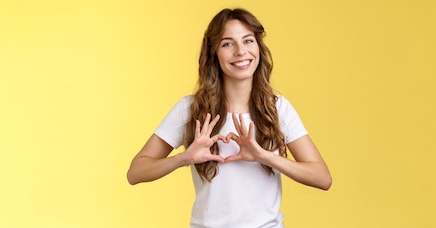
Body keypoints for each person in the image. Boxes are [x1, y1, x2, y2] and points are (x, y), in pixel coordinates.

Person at [127, 8, 332, 228]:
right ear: (214, 52)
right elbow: (136, 172)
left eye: (248, 41)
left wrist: (264, 156)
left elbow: (322, 178)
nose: (241, 51)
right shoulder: (191, 109)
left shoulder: (277, 108)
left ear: (259, 48)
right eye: (227, 44)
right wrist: (184, 158)